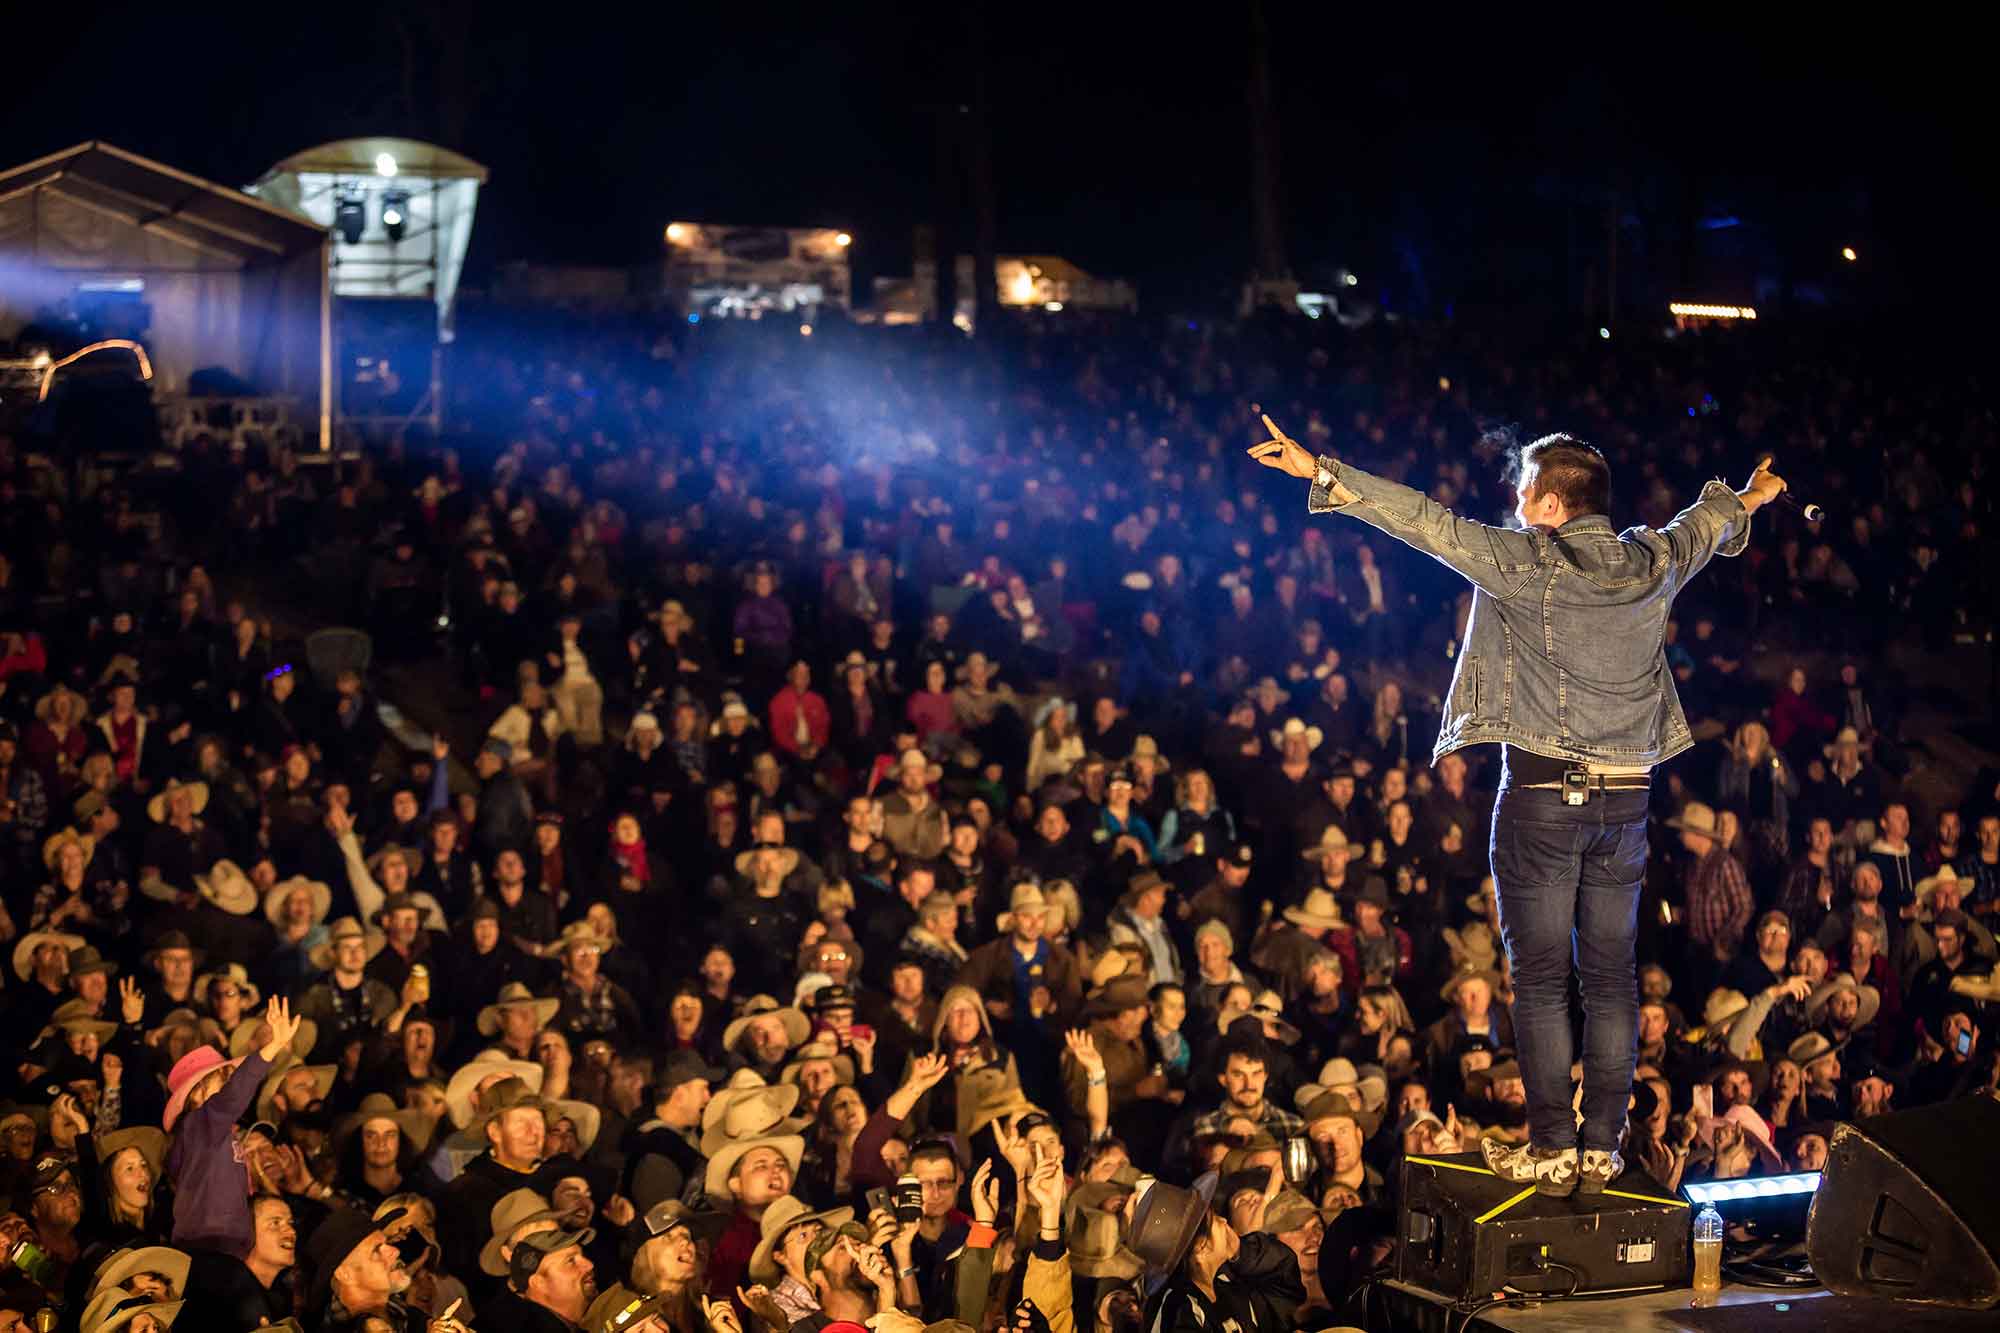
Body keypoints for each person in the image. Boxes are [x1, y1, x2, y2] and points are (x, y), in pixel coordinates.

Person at [1253, 420, 1785, 1196]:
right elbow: (1705, 525)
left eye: (1524, 487)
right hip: (1626, 804)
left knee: (1538, 978)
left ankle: (1553, 1145)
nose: (1515, 497)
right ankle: (1601, 1145)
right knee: (1610, 978)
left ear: (1552, 502)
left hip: (1542, 799)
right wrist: (1753, 495)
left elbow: (1424, 522)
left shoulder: (1527, 560)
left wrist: (1321, 469)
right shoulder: (1651, 559)